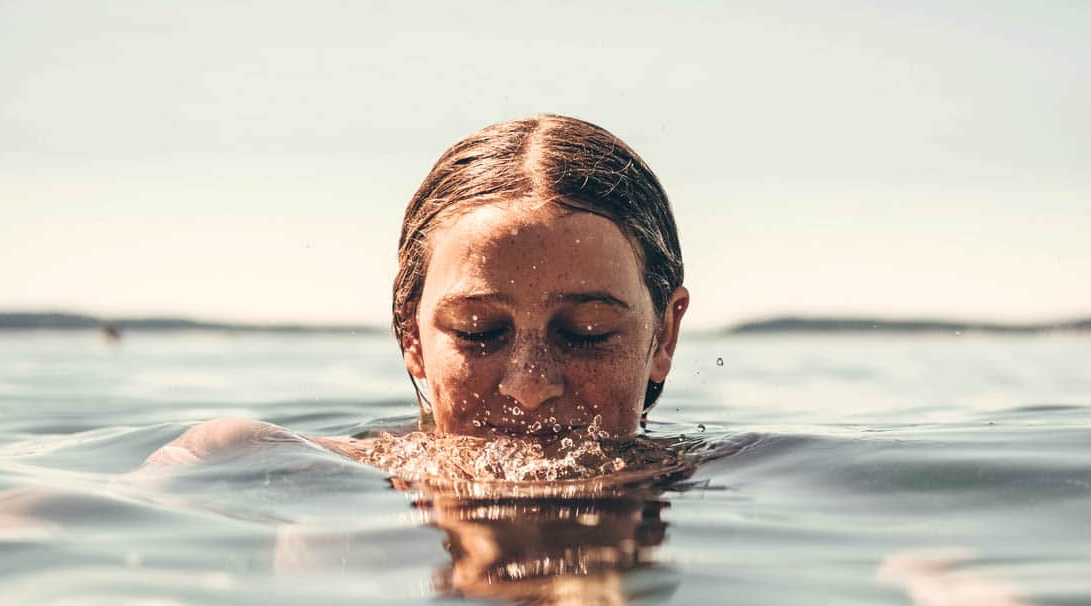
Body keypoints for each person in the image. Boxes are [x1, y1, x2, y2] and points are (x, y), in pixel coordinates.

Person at [146, 114, 690, 470]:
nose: (530, 385)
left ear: (663, 337)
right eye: (479, 332)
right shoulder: (254, 461)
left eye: (586, 332)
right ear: (412, 338)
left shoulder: (741, 477)